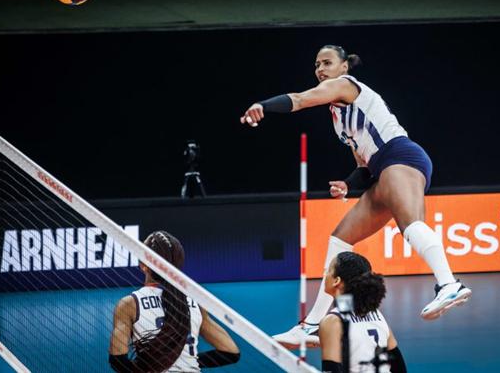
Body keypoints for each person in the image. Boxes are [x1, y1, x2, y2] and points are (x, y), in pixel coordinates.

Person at [240, 44, 472, 348]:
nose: (320, 69)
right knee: (339, 240)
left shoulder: (345, 87)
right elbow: (364, 166)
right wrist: (348, 185)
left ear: (343, 68)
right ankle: (311, 325)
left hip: (402, 156)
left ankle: (449, 284)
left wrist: (263, 105)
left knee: (410, 225)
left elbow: (300, 99)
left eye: (327, 63)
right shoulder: (339, 119)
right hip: (382, 167)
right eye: (316, 65)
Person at [109, 230, 240, 372]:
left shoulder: (130, 304)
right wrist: (188, 362)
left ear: (143, 264)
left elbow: (118, 361)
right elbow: (230, 352)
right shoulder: (195, 302)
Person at [320, 251, 406, 373]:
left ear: (336, 281)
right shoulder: (376, 314)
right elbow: (398, 365)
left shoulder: (332, 321)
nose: (325, 274)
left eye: (328, 270)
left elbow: (331, 369)